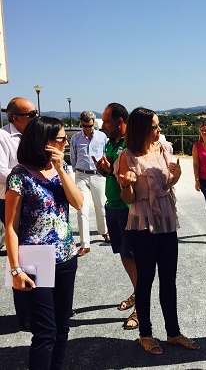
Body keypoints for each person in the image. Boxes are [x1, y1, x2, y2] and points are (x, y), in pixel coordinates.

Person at [117, 107, 199, 354]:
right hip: (141, 224)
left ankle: (173, 332)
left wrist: (175, 176)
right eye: (154, 126)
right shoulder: (128, 156)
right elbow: (128, 199)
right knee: (145, 280)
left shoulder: (164, 148)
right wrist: (128, 185)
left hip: (166, 221)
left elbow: (167, 184)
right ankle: (145, 334)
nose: (159, 129)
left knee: (169, 279)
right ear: (141, 128)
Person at [5, 116, 83, 369]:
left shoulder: (64, 169)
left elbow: (78, 202)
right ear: (46, 142)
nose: (66, 143)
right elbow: (11, 226)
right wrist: (15, 269)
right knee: (45, 333)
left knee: (62, 329)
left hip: (65, 256)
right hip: (33, 259)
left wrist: (61, 168)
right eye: (62, 139)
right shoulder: (19, 175)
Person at [93, 102, 138, 331]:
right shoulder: (110, 142)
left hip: (128, 208)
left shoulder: (132, 142)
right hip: (113, 206)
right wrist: (103, 169)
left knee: (134, 255)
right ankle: (137, 292)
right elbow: (112, 172)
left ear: (120, 121)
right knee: (124, 253)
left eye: (107, 122)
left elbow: (134, 174)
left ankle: (140, 306)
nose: (104, 126)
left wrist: (111, 170)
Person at [0, 97, 37, 331]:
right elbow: (1, 170)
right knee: (21, 255)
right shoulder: (2, 137)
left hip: (32, 201)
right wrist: (30, 181)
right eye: (31, 114)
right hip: (10, 200)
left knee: (37, 251)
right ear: (16, 118)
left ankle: (40, 306)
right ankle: (24, 313)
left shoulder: (33, 134)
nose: (36, 117)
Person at [70, 110, 109, 256]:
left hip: (98, 175)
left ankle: (104, 231)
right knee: (82, 209)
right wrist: (77, 171)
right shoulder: (75, 139)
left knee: (101, 206)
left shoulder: (102, 137)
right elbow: (73, 158)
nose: (87, 128)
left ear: (94, 124)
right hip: (81, 175)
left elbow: (106, 154)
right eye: (84, 126)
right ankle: (85, 244)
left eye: (90, 126)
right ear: (81, 123)